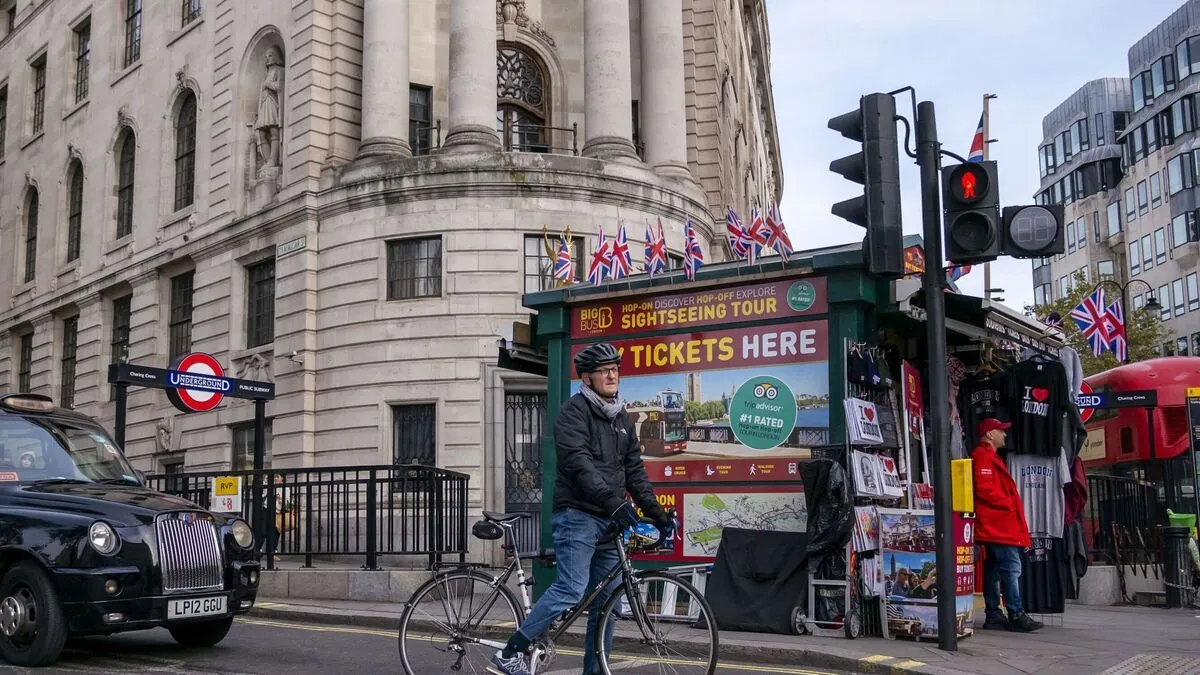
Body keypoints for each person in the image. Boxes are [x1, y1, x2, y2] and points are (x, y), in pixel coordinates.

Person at [490, 342, 676, 675]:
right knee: (572, 588)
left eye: (615, 368)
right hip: (577, 515)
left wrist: (655, 510)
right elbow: (579, 465)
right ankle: (509, 653)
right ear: (587, 378)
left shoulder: (620, 415)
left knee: (608, 605)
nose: (612, 374)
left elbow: (634, 470)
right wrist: (615, 503)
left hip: (608, 520)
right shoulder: (572, 413)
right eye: (604, 370)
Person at [970, 418, 1041, 632]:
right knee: (1011, 568)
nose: (1005, 434)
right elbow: (984, 489)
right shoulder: (983, 456)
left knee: (993, 569)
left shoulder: (988, 456)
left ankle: (994, 614)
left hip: (995, 525)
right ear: (990, 434)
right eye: (1001, 431)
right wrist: (1009, 504)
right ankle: (1016, 613)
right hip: (997, 525)